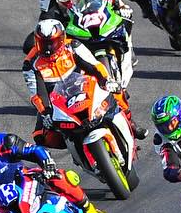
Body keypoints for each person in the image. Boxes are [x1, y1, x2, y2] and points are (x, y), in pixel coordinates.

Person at [20, 19, 142, 147]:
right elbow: (37, 94)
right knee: (41, 136)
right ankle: (76, 148)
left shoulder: (73, 46)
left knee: (116, 92)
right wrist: (45, 113)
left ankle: (131, 124)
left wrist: (106, 80)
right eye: (44, 44)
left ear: (62, 39)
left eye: (53, 43)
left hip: (84, 87)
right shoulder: (31, 63)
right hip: (57, 101)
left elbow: (95, 66)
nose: (48, 49)